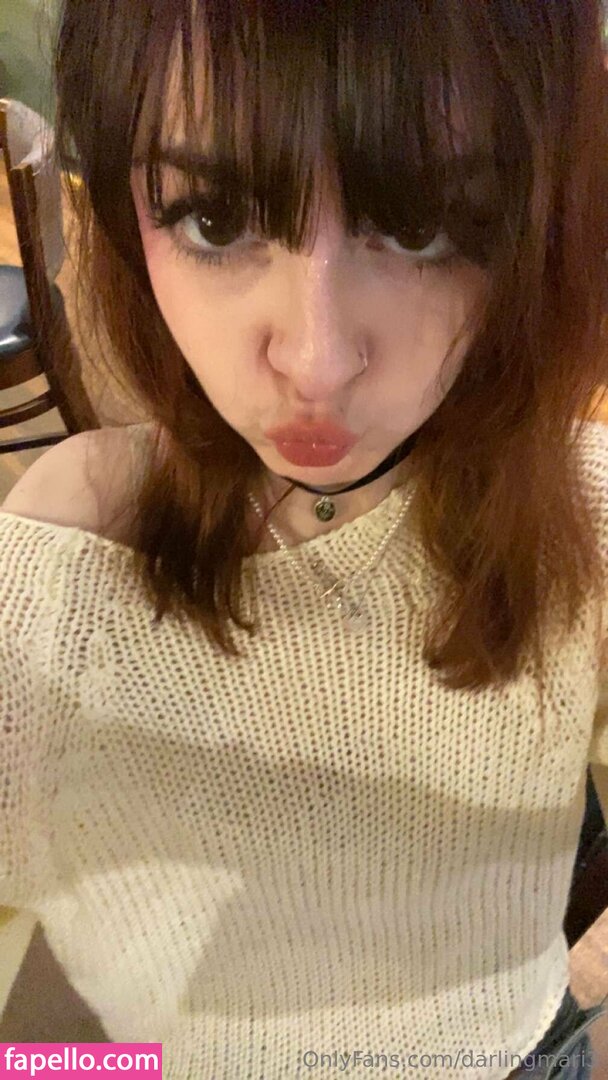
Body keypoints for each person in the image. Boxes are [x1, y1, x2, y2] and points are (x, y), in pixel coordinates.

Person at [1, 0, 608, 1076]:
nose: (316, 361)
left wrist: (566, 1010)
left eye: (421, 227)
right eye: (213, 217)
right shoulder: (61, 567)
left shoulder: (586, 513)